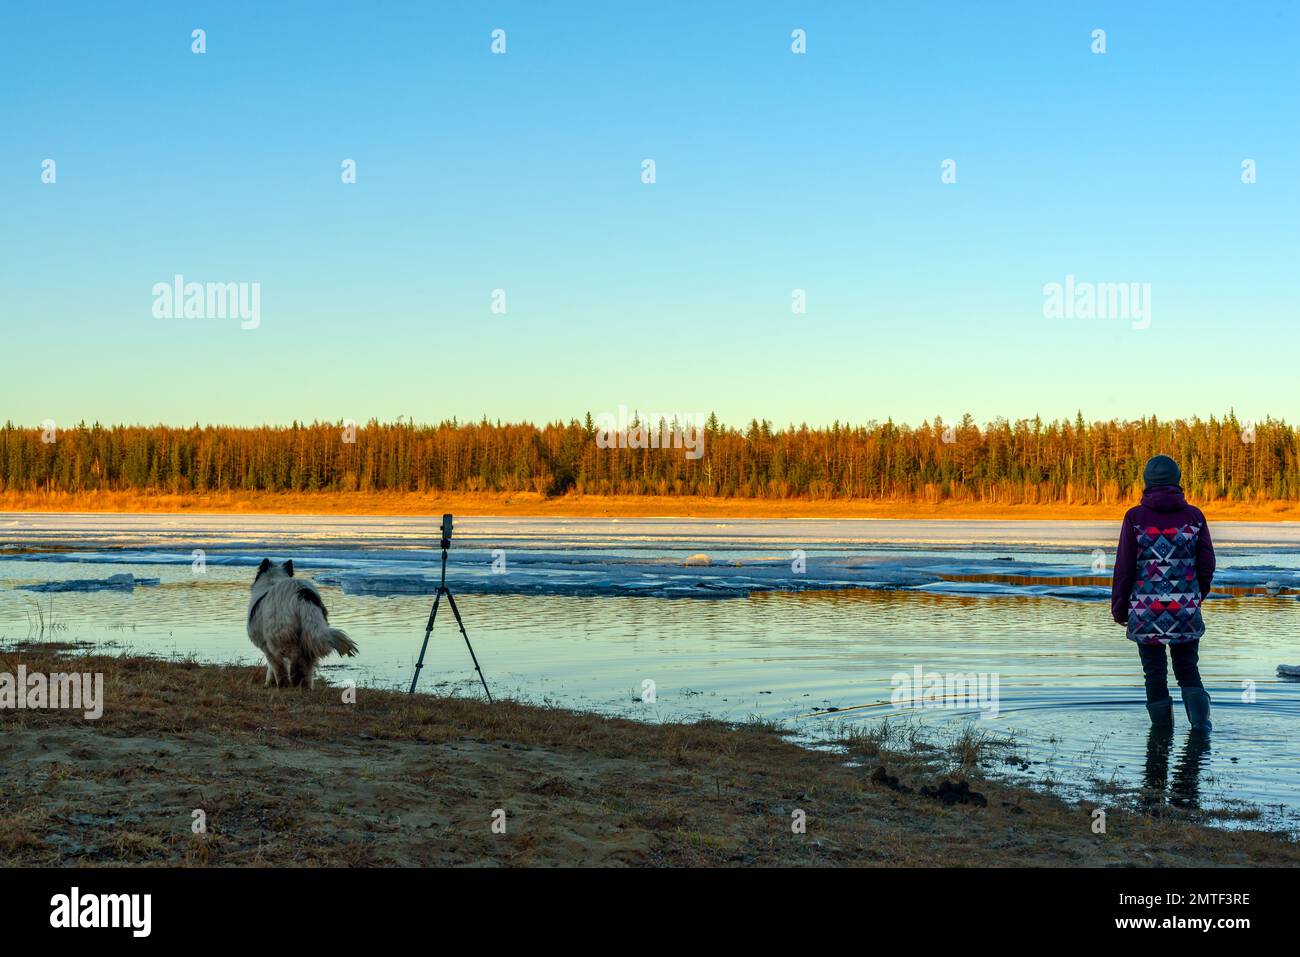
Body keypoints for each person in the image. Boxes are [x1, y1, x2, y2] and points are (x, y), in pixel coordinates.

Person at [1110, 454, 1216, 731]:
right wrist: (1195, 596)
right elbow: (1207, 564)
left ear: (1147, 481)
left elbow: (1124, 567)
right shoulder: (1194, 516)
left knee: (1154, 674)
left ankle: (1160, 737)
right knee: (1187, 669)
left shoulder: (1135, 518)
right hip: (1185, 609)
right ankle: (1201, 731)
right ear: (1177, 480)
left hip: (1146, 611)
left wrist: (1120, 608)